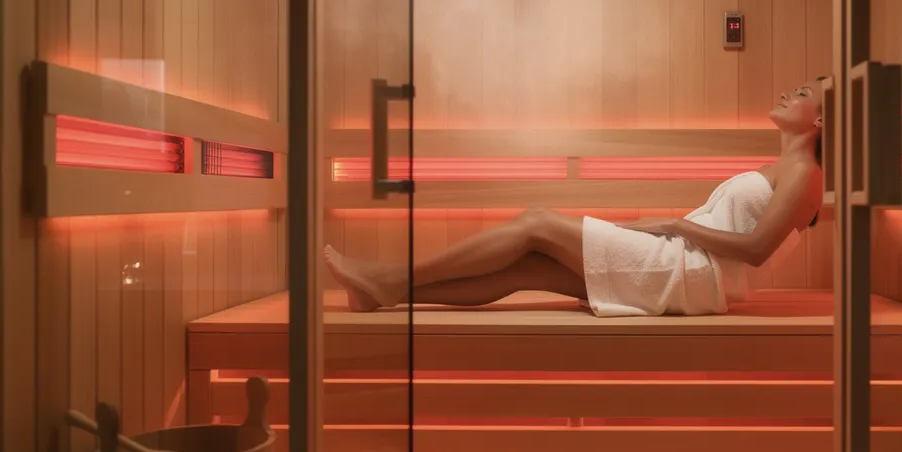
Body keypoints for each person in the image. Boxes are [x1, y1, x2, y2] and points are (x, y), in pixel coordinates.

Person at [325, 80, 827, 317]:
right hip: (684, 269)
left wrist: (675, 226)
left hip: (688, 274)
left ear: (821, 120)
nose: (788, 92)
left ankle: (390, 278)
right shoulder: (787, 169)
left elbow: (758, 250)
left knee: (535, 224)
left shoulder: (805, 174)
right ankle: (387, 293)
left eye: (803, 93)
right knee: (529, 270)